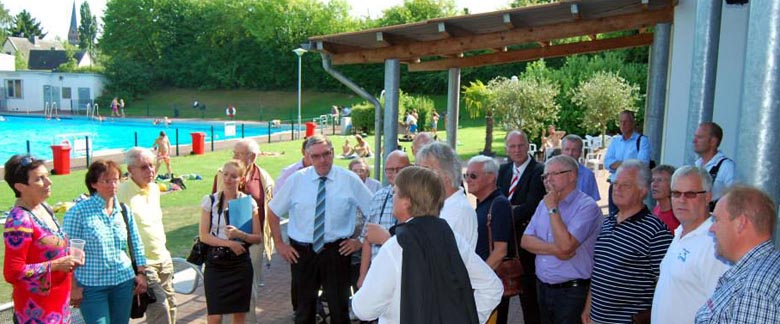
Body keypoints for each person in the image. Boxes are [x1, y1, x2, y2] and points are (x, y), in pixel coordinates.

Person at [352, 166, 503, 323]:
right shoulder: (453, 239)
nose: (392, 197)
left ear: (406, 202)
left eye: (395, 192)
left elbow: (364, 310)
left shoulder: (395, 247)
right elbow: (492, 287)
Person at [267, 135, 373, 324]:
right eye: (316, 156)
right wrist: (279, 244)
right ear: (308, 156)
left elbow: (372, 210)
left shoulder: (349, 179)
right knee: (303, 310)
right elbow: (273, 211)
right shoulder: (297, 180)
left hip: (337, 251)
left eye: (326, 154)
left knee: (339, 309)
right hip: (302, 253)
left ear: (333, 153)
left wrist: (361, 241)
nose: (322, 160)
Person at [582, 160, 672, 324]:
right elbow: (599, 271)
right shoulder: (608, 223)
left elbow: (666, 285)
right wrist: (588, 308)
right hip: (596, 318)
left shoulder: (656, 232)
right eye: (615, 183)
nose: (617, 188)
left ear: (643, 191)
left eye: (626, 185)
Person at [63, 159, 148, 324]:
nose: (113, 185)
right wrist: (73, 287)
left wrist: (141, 273)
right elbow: (69, 253)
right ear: (94, 184)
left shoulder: (123, 210)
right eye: (106, 181)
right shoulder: (78, 213)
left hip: (123, 282)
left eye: (115, 180)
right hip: (92, 286)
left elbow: (136, 243)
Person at [521, 155, 603, 324]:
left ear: (572, 175)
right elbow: (525, 240)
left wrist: (553, 208)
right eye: (545, 176)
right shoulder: (544, 203)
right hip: (543, 287)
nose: (547, 180)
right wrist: (556, 250)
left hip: (572, 292)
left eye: (554, 174)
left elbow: (567, 246)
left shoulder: (586, 207)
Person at [3, 155, 82, 323]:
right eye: (40, 179)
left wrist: (70, 255)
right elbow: (13, 273)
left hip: (59, 306)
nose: (49, 182)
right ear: (20, 186)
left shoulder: (44, 207)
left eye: (47, 176)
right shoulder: (19, 221)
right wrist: (57, 265)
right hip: (37, 313)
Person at [651, 166, 730, 324]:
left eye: (690, 194)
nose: (681, 200)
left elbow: (722, 311)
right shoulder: (680, 232)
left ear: (708, 197)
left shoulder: (715, 243)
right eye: (676, 193)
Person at [695, 185, 780, 323]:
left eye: (717, 220)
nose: (712, 229)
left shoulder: (754, 288)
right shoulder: (755, 276)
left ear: (741, 223)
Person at [213, 139, 275, 324]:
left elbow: (270, 208)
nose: (234, 157)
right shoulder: (222, 174)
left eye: (238, 154)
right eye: (234, 153)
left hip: (253, 243)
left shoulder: (264, 178)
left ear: (252, 157)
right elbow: (214, 204)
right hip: (226, 241)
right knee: (224, 289)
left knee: (249, 290)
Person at [199, 160, 264, 324]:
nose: (228, 179)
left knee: (239, 315)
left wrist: (240, 235)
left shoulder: (248, 203)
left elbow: (257, 237)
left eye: (233, 176)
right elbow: (204, 236)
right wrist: (230, 243)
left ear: (241, 179)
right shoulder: (210, 201)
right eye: (225, 174)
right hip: (216, 263)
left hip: (240, 264)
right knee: (214, 316)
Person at [117, 148, 177, 324]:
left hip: (163, 257)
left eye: (151, 165)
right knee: (160, 308)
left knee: (171, 305)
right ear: (130, 169)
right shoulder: (121, 192)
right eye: (144, 167)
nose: (150, 171)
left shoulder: (154, 188)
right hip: (143, 263)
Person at [496, 130, 545, 324]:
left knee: (528, 298)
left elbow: (531, 206)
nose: (517, 150)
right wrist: (511, 210)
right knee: (500, 296)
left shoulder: (539, 171)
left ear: (528, 146)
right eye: (512, 146)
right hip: (503, 243)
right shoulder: (503, 171)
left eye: (520, 145)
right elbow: (497, 200)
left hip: (526, 245)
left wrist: (503, 216)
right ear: (507, 149)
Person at [465, 155, 514, 324]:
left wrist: (478, 280)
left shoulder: (499, 204)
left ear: (491, 177)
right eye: (466, 175)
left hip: (491, 286)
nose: (468, 180)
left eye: (473, 176)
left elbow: (500, 250)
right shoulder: (482, 205)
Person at [357, 150, 411, 288]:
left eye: (399, 169)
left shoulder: (418, 198)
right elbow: (367, 240)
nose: (394, 173)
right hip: (377, 273)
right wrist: (363, 276)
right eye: (390, 170)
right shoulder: (378, 197)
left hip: (404, 273)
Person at [416, 142, 478, 250]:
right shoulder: (440, 207)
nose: (419, 176)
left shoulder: (458, 211)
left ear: (447, 175)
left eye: (425, 169)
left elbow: (434, 256)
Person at [604, 110, 651, 215]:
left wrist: (617, 164)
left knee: (629, 216)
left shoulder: (642, 141)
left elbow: (642, 164)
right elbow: (607, 163)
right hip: (614, 185)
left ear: (632, 123)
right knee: (613, 217)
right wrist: (629, 165)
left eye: (626, 121)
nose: (623, 124)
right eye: (621, 122)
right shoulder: (615, 141)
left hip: (631, 187)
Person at [693, 122, 735, 210]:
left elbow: (734, 197)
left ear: (713, 141)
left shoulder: (727, 166)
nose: (694, 140)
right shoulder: (696, 165)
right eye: (695, 136)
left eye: (699, 137)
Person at [560, 134, 600, 201]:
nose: (570, 153)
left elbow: (593, 203)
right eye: (567, 149)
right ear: (561, 151)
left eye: (574, 150)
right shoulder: (551, 173)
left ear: (580, 153)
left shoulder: (588, 175)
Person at [651, 164, 679, 232]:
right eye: (652, 180)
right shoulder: (656, 210)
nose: (654, 184)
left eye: (660, 180)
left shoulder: (678, 216)